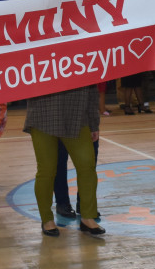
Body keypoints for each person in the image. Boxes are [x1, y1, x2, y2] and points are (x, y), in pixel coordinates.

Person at [25, 86, 104, 237]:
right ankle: (47, 219)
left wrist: (94, 123)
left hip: (77, 115)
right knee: (46, 170)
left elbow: (93, 88)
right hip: (42, 115)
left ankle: (87, 217)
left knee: (87, 165)